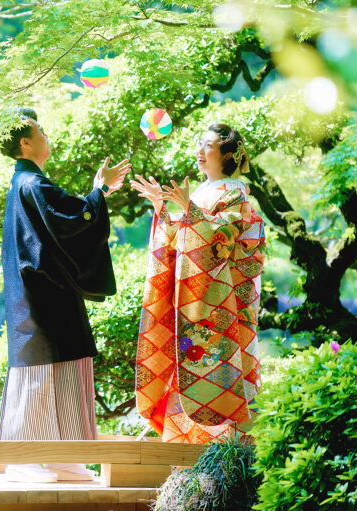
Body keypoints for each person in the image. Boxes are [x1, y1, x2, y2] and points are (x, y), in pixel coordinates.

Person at [0, 109, 131, 482]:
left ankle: (66, 457)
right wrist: (100, 190)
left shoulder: (29, 183)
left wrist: (98, 191)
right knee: (37, 374)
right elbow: (72, 221)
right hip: (39, 297)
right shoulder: (31, 184)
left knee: (67, 372)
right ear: (25, 143)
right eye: (39, 131)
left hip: (52, 293)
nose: (46, 134)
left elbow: (68, 219)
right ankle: (20, 459)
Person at [130, 123, 265, 443]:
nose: (199, 151)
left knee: (219, 367)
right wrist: (162, 209)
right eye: (199, 144)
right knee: (185, 359)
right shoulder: (203, 192)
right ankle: (183, 450)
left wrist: (190, 210)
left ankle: (223, 451)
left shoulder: (235, 194)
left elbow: (223, 239)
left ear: (228, 154)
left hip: (222, 304)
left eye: (208, 146)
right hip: (191, 301)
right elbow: (179, 239)